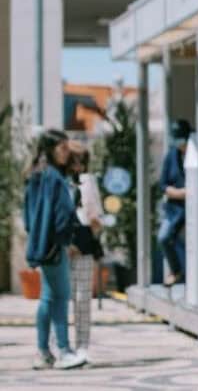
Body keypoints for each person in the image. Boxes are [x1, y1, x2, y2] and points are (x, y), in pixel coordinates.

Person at [24, 129, 87, 370]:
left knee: (48, 298)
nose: (66, 151)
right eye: (61, 147)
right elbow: (61, 214)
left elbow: (29, 216)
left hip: (43, 244)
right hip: (55, 246)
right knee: (59, 297)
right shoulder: (52, 177)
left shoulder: (37, 175)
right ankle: (63, 351)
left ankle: (43, 353)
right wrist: (65, 242)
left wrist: (37, 239)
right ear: (50, 149)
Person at [67, 141, 104, 363]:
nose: (78, 166)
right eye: (74, 161)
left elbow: (95, 215)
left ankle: (81, 345)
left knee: (81, 298)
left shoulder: (87, 182)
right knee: (65, 298)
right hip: (64, 245)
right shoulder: (60, 181)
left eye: (82, 161)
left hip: (83, 243)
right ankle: (61, 344)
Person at [158, 119, 191, 286]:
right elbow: (163, 184)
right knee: (164, 237)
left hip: (195, 208)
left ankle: (187, 271)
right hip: (175, 208)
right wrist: (179, 193)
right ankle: (177, 270)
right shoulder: (171, 155)